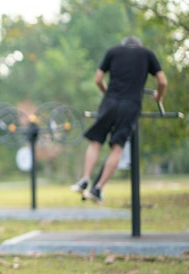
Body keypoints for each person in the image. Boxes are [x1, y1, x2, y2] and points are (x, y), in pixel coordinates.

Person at [71, 36, 167, 204]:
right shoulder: (147, 54)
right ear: (138, 45)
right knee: (117, 147)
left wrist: (107, 93)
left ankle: (85, 179)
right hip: (131, 104)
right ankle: (98, 188)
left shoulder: (113, 51)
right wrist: (158, 97)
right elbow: (162, 81)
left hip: (110, 101)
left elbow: (98, 79)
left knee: (96, 142)